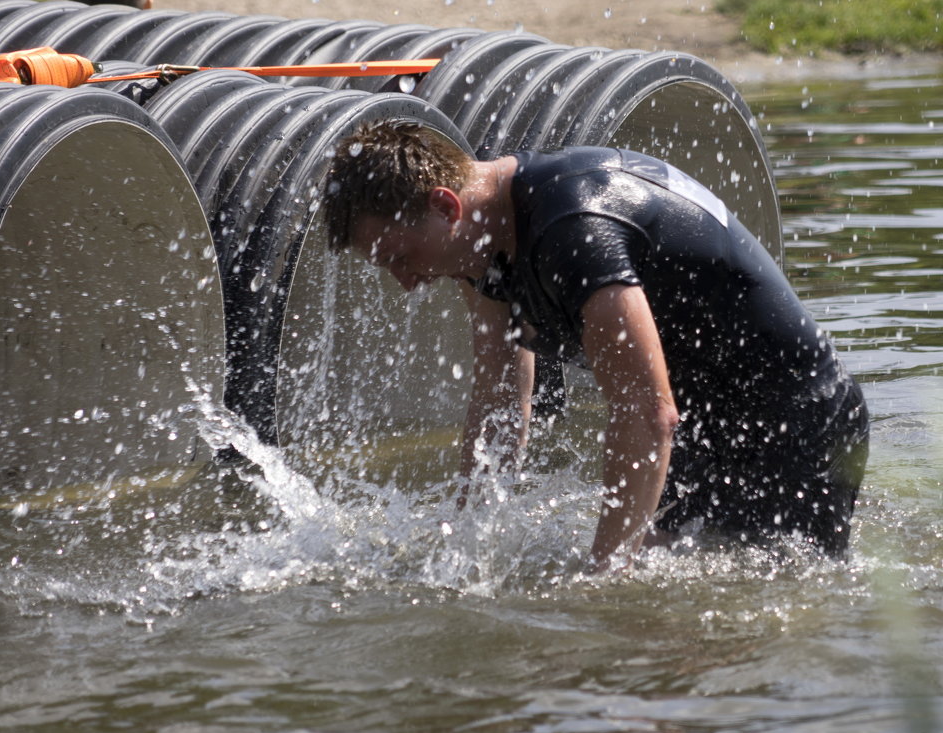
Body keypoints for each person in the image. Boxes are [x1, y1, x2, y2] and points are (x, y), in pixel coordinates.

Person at [321, 120, 869, 570]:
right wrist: (460, 549)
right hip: (707, 423)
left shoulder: (575, 225)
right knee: (665, 590)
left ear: (446, 207)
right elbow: (499, 401)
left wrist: (603, 578)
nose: (406, 281)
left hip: (796, 422)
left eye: (399, 256)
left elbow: (649, 412)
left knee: (748, 606)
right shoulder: (479, 249)